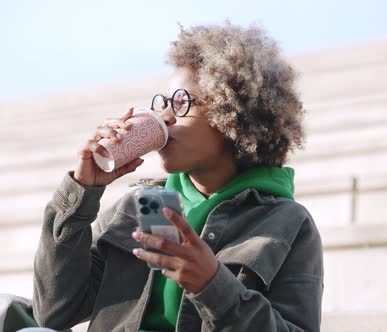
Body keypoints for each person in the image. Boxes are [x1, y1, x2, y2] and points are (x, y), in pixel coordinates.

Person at [33, 22, 323, 332]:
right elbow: (54, 314)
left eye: (182, 103)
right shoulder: (138, 206)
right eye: (163, 103)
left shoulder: (287, 223)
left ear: (233, 114)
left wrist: (214, 287)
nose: (164, 116)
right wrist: (80, 193)